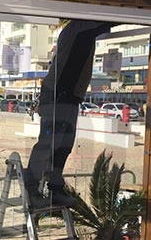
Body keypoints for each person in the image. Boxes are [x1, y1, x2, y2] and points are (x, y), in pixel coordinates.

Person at [26, 19, 117, 209]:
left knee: (64, 145)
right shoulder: (78, 28)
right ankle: (31, 189)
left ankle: (55, 187)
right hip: (58, 94)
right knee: (49, 144)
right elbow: (106, 22)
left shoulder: (79, 29)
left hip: (69, 96)